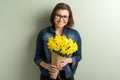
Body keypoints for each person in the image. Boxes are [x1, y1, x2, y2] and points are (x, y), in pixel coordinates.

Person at [34, 3, 82, 80]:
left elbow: (78, 56)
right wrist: (47, 66)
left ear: (69, 18)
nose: (61, 19)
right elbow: (37, 57)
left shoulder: (75, 34)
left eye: (64, 16)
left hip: (67, 75)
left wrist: (68, 60)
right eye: (58, 15)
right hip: (47, 75)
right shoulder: (44, 33)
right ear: (53, 16)